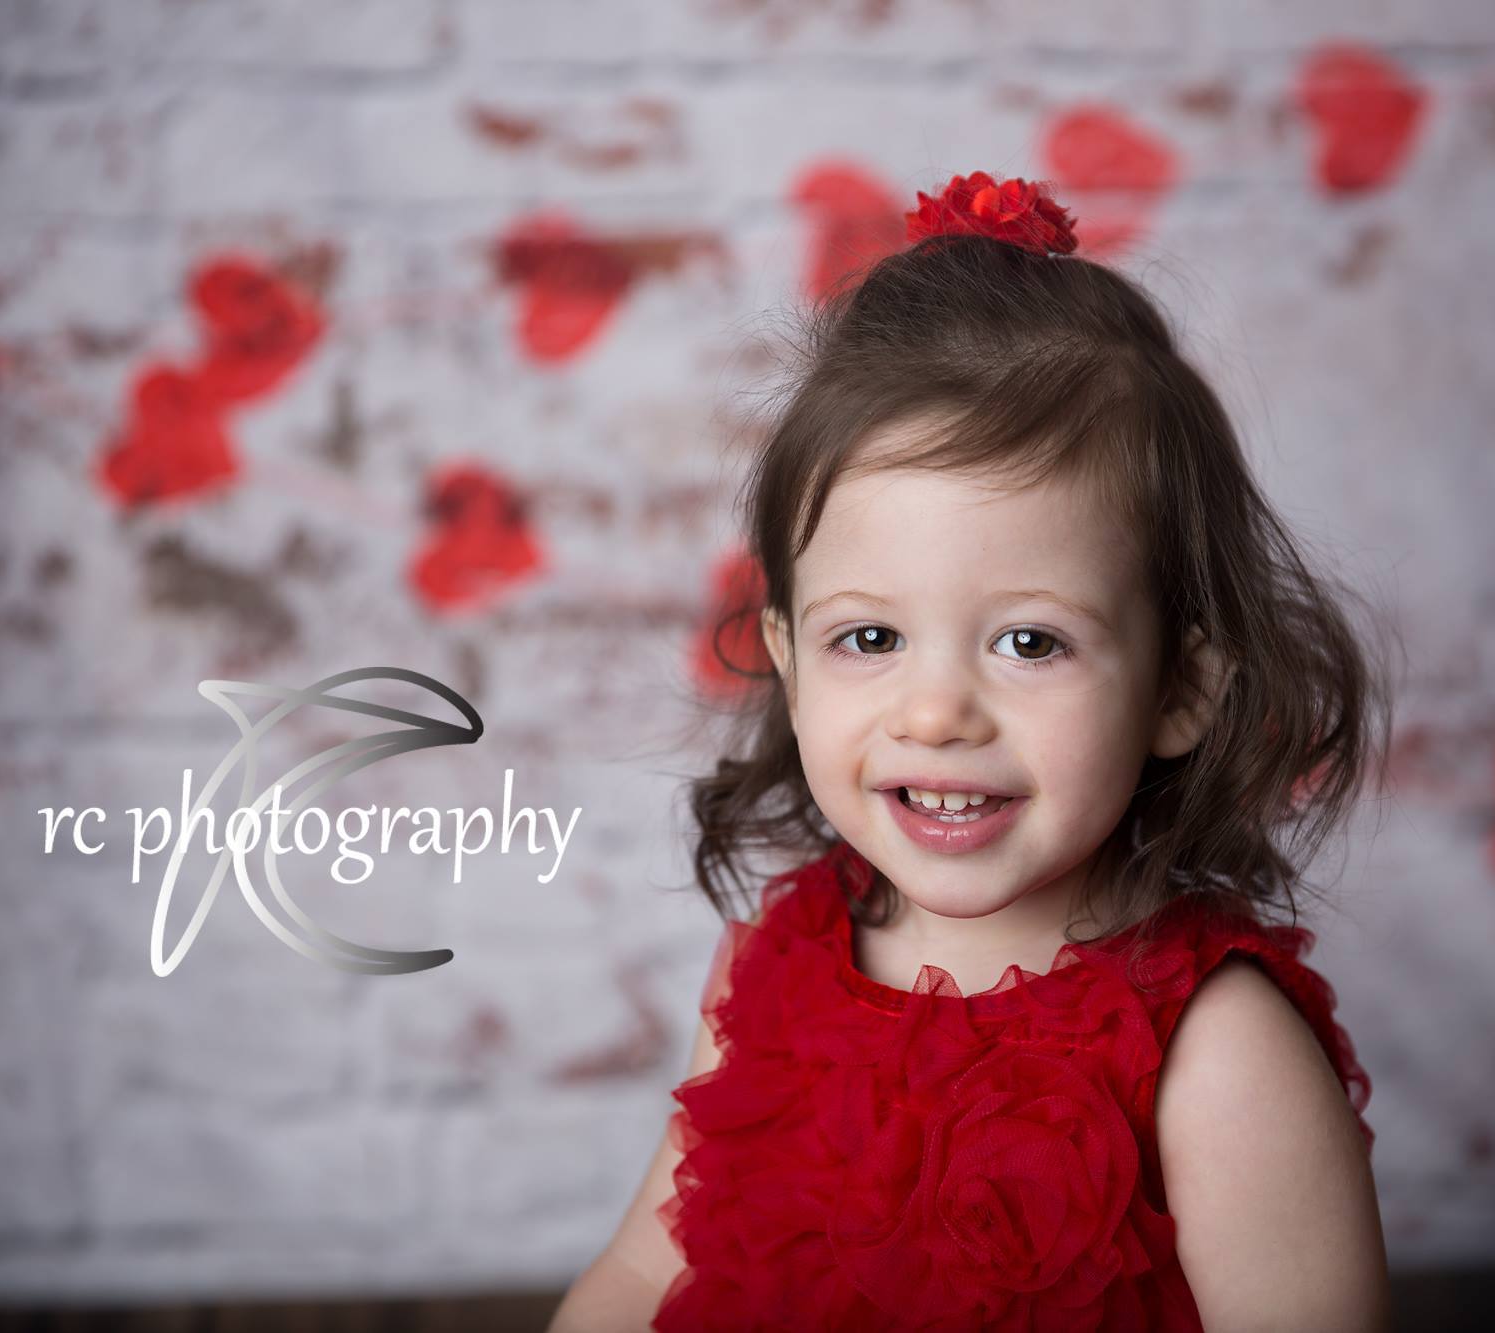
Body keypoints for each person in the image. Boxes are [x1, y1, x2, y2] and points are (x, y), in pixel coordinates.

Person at [550, 170, 1395, 1331]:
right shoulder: (765, 975)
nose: (937, 712)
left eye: (1028, 640)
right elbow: (648, 1273)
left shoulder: (1216, 1057)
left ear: (1178, 690)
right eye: (870, 636)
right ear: (790, 662)